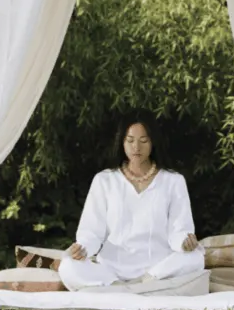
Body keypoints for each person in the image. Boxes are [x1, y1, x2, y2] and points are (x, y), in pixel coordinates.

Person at [58, 111, 205, 292]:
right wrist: (83, 248)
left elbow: (179, 230)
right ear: (122, 142)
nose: (136, 147)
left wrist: (184, 242)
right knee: (68, 266)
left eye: (143, 141)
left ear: (153, 142)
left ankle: (139, 286)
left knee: (195, 257)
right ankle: (124, 288)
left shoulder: (173, 181)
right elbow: (91, 232)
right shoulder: (104, 180)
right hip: (112, 270)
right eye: (130, 140)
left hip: (157, 269)